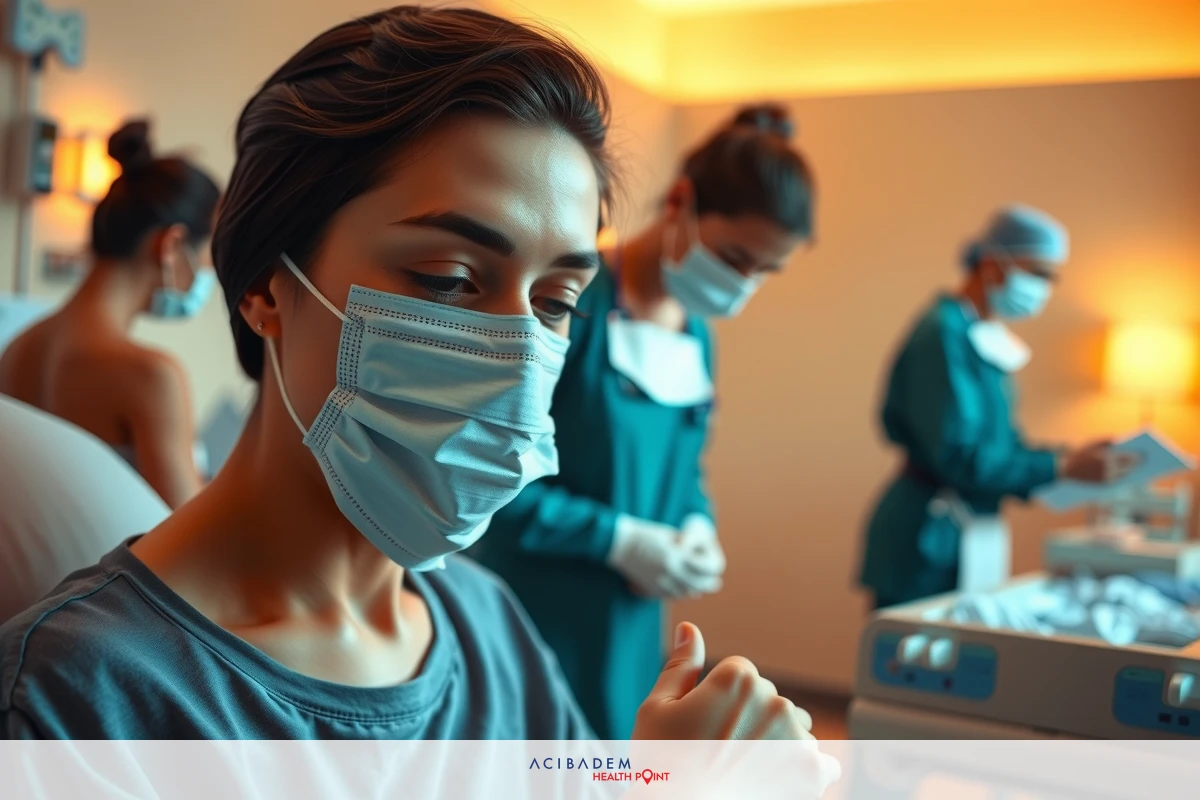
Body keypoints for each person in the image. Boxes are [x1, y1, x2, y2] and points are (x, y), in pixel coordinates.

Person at [0, 6, 818, 742]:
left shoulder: (490, 630)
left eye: (558, 300)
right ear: (263, 287)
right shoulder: (80, 700)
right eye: (449, 280)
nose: (517, 352)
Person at [472, 104, 815, 740]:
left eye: (765, 271)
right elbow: (491, 478)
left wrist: (695, 521)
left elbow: (686, 465)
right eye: (737, 257)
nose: (744, 285)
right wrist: (618, 539)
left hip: (633, 620)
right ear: (681, 201)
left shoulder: (697, 338)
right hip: (535, 606)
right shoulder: (573, 307)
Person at [860, 205, 1134, 609]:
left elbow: (1001, 444)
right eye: (1038, 272)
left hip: (964, 531)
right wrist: (1060, 468)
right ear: (992, 265)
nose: (1044, 287)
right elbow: (961, 456)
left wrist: (1070, 459)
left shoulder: (981, 336)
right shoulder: (943, 334)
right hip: (926, 536)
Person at [0, 120, 221, 508]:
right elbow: (186, 527)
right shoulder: (151, 375)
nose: (210, 272)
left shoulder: (16, 350)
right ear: (172, 244)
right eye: (210, 254)